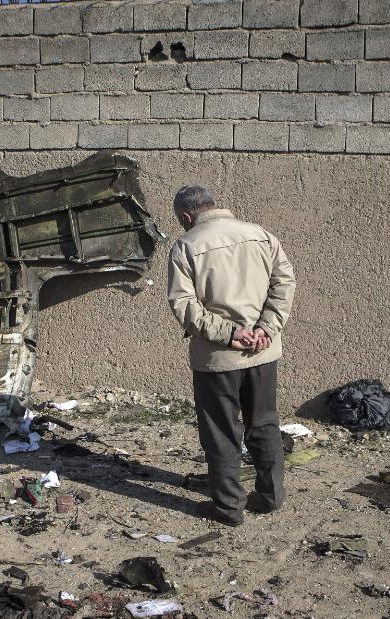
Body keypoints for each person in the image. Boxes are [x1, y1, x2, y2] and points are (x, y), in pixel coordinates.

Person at [166, 185, 296, 526]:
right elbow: (284, 284)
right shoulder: (261, 235)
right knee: (265, 423)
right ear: (214, 205)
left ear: (185, 216)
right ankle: (271, 496)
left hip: (217, 359)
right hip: (264, 352)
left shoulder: (187, 245)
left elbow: (184, 305)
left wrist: (229, 334)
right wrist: (266, 329)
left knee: (222, 432)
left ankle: (228, 508)